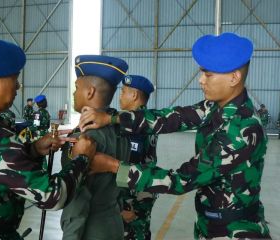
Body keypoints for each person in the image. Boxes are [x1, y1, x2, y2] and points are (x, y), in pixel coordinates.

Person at [79, 33, 271, 239]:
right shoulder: (214, 107)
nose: (200, 80)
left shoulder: (240, 130)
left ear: (234, 77)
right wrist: (112, 118)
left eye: (208, 74)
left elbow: (181, 180)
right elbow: (171, 118)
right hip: (212, 223)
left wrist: (113, 166)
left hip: (235, 231)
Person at [0, 39, 96, 240]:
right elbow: (52, 196)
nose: (18, 86)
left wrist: (32, 149)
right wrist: (83, 158)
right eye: (14, 79)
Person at [60, 55, 130, 240]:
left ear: (90, 92)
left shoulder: (84, 137)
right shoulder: (120, 130)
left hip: (90, 229)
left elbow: (77, 200)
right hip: (113, 224)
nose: (74, 93)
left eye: (76, 88)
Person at [118, 75, 158, 240]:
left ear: (134, 95)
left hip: (134, 196)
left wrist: (123, 205)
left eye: (123, 91)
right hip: (145, 189)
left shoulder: (133, 125)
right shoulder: (146, 119)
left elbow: (128, 166)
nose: (120, 96)